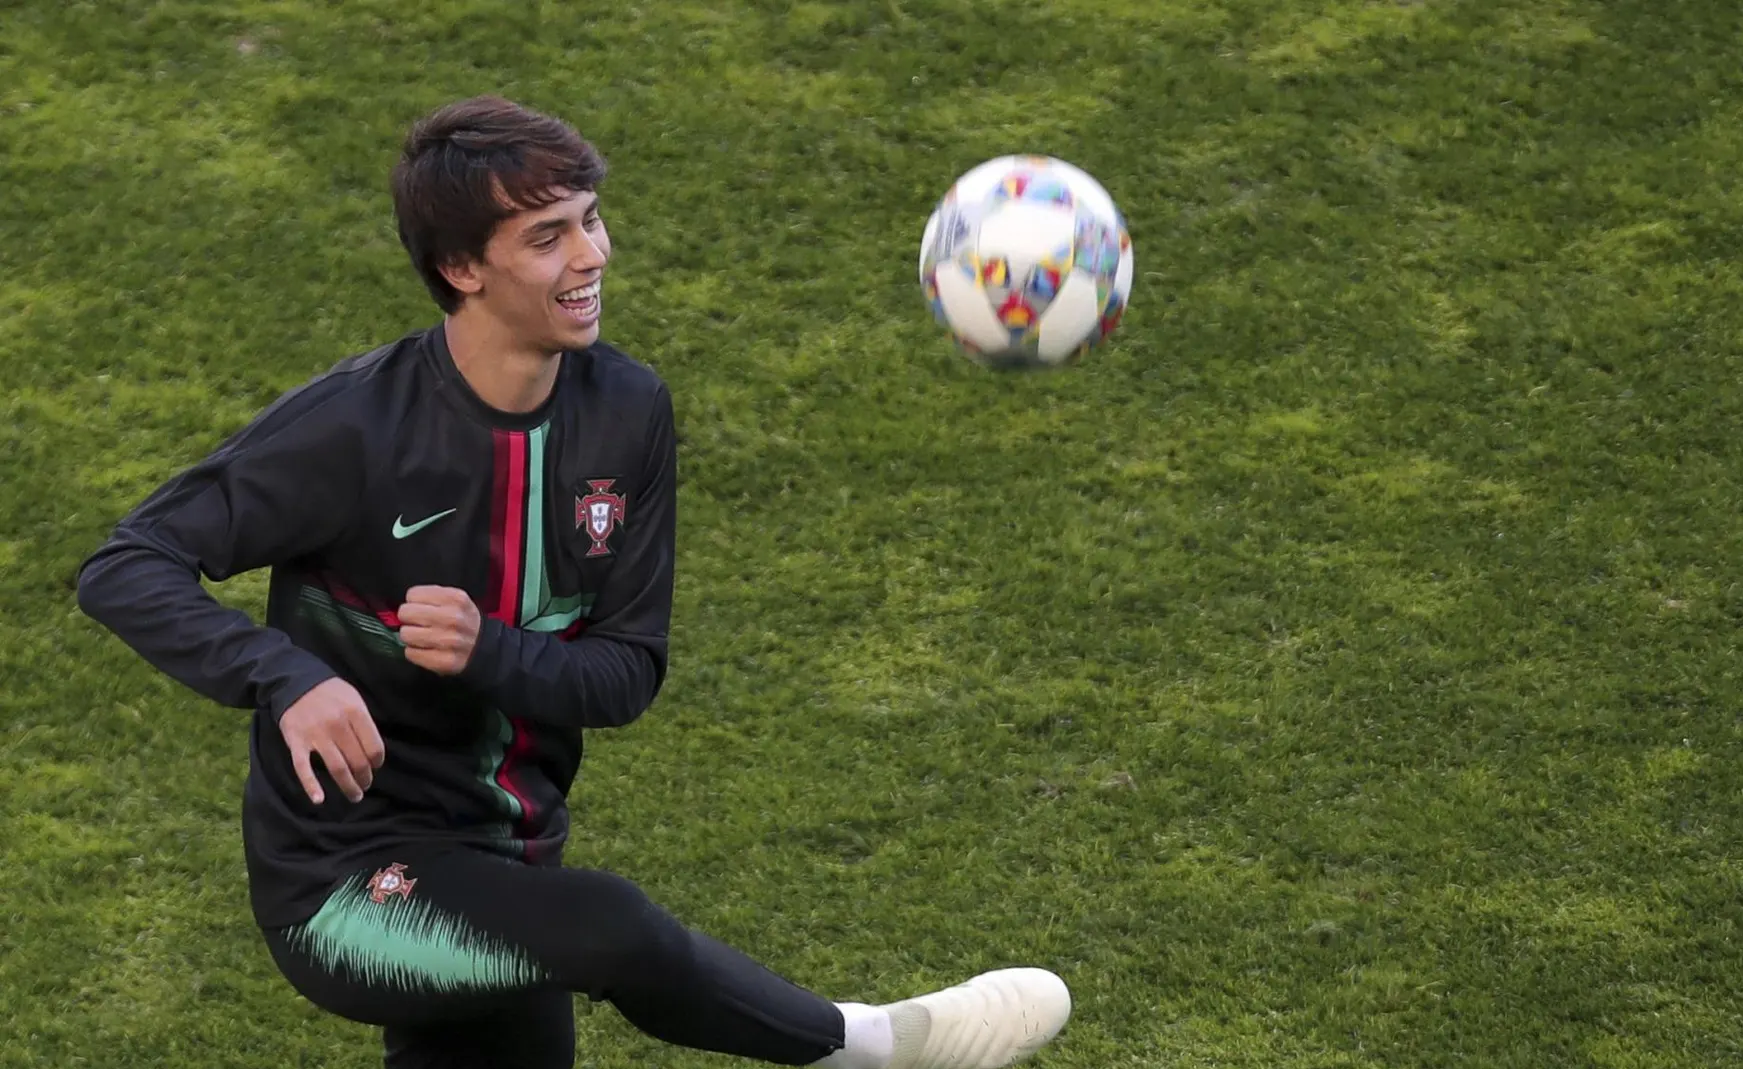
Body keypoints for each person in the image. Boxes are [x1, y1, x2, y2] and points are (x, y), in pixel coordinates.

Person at [74, 94, 1071, 1069]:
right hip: (341, 894)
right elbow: (129, 563)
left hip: (510, 870)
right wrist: (282, 674)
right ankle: (864, 1044)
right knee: (612, 924)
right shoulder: (352, 432)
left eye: (590, 220)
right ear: (460, 267)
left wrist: (486, 651)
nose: (592, 256)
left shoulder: (627, 411)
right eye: (548, 237)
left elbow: (626, 672)